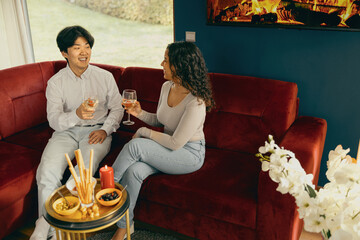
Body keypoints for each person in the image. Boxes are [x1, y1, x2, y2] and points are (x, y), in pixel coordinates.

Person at [111, 41, 215, 240]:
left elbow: (176, 143)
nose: (161, 63)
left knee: (135, 146)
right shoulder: (167, 86)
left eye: (166, 61)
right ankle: (125, 226)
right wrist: (139, 112)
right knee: (134, 171)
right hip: (167, 147)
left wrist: (143, 131)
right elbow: (161, 120)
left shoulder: (196, 101)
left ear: (179, 65)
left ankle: (106, 187)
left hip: (188, 154)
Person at [30, 25, 123, 240]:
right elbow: (54, 120)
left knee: (80, 177)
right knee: (46, 173)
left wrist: (105, 129)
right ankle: (46, 228)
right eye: (77, 47)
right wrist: (77, 115)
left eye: (87, 46)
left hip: (97, 133)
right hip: (66, 133)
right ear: (64, 53)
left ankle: (60, 225)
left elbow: (118, 108)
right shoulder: (56, 83)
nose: (84, 52)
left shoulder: (105, 76)